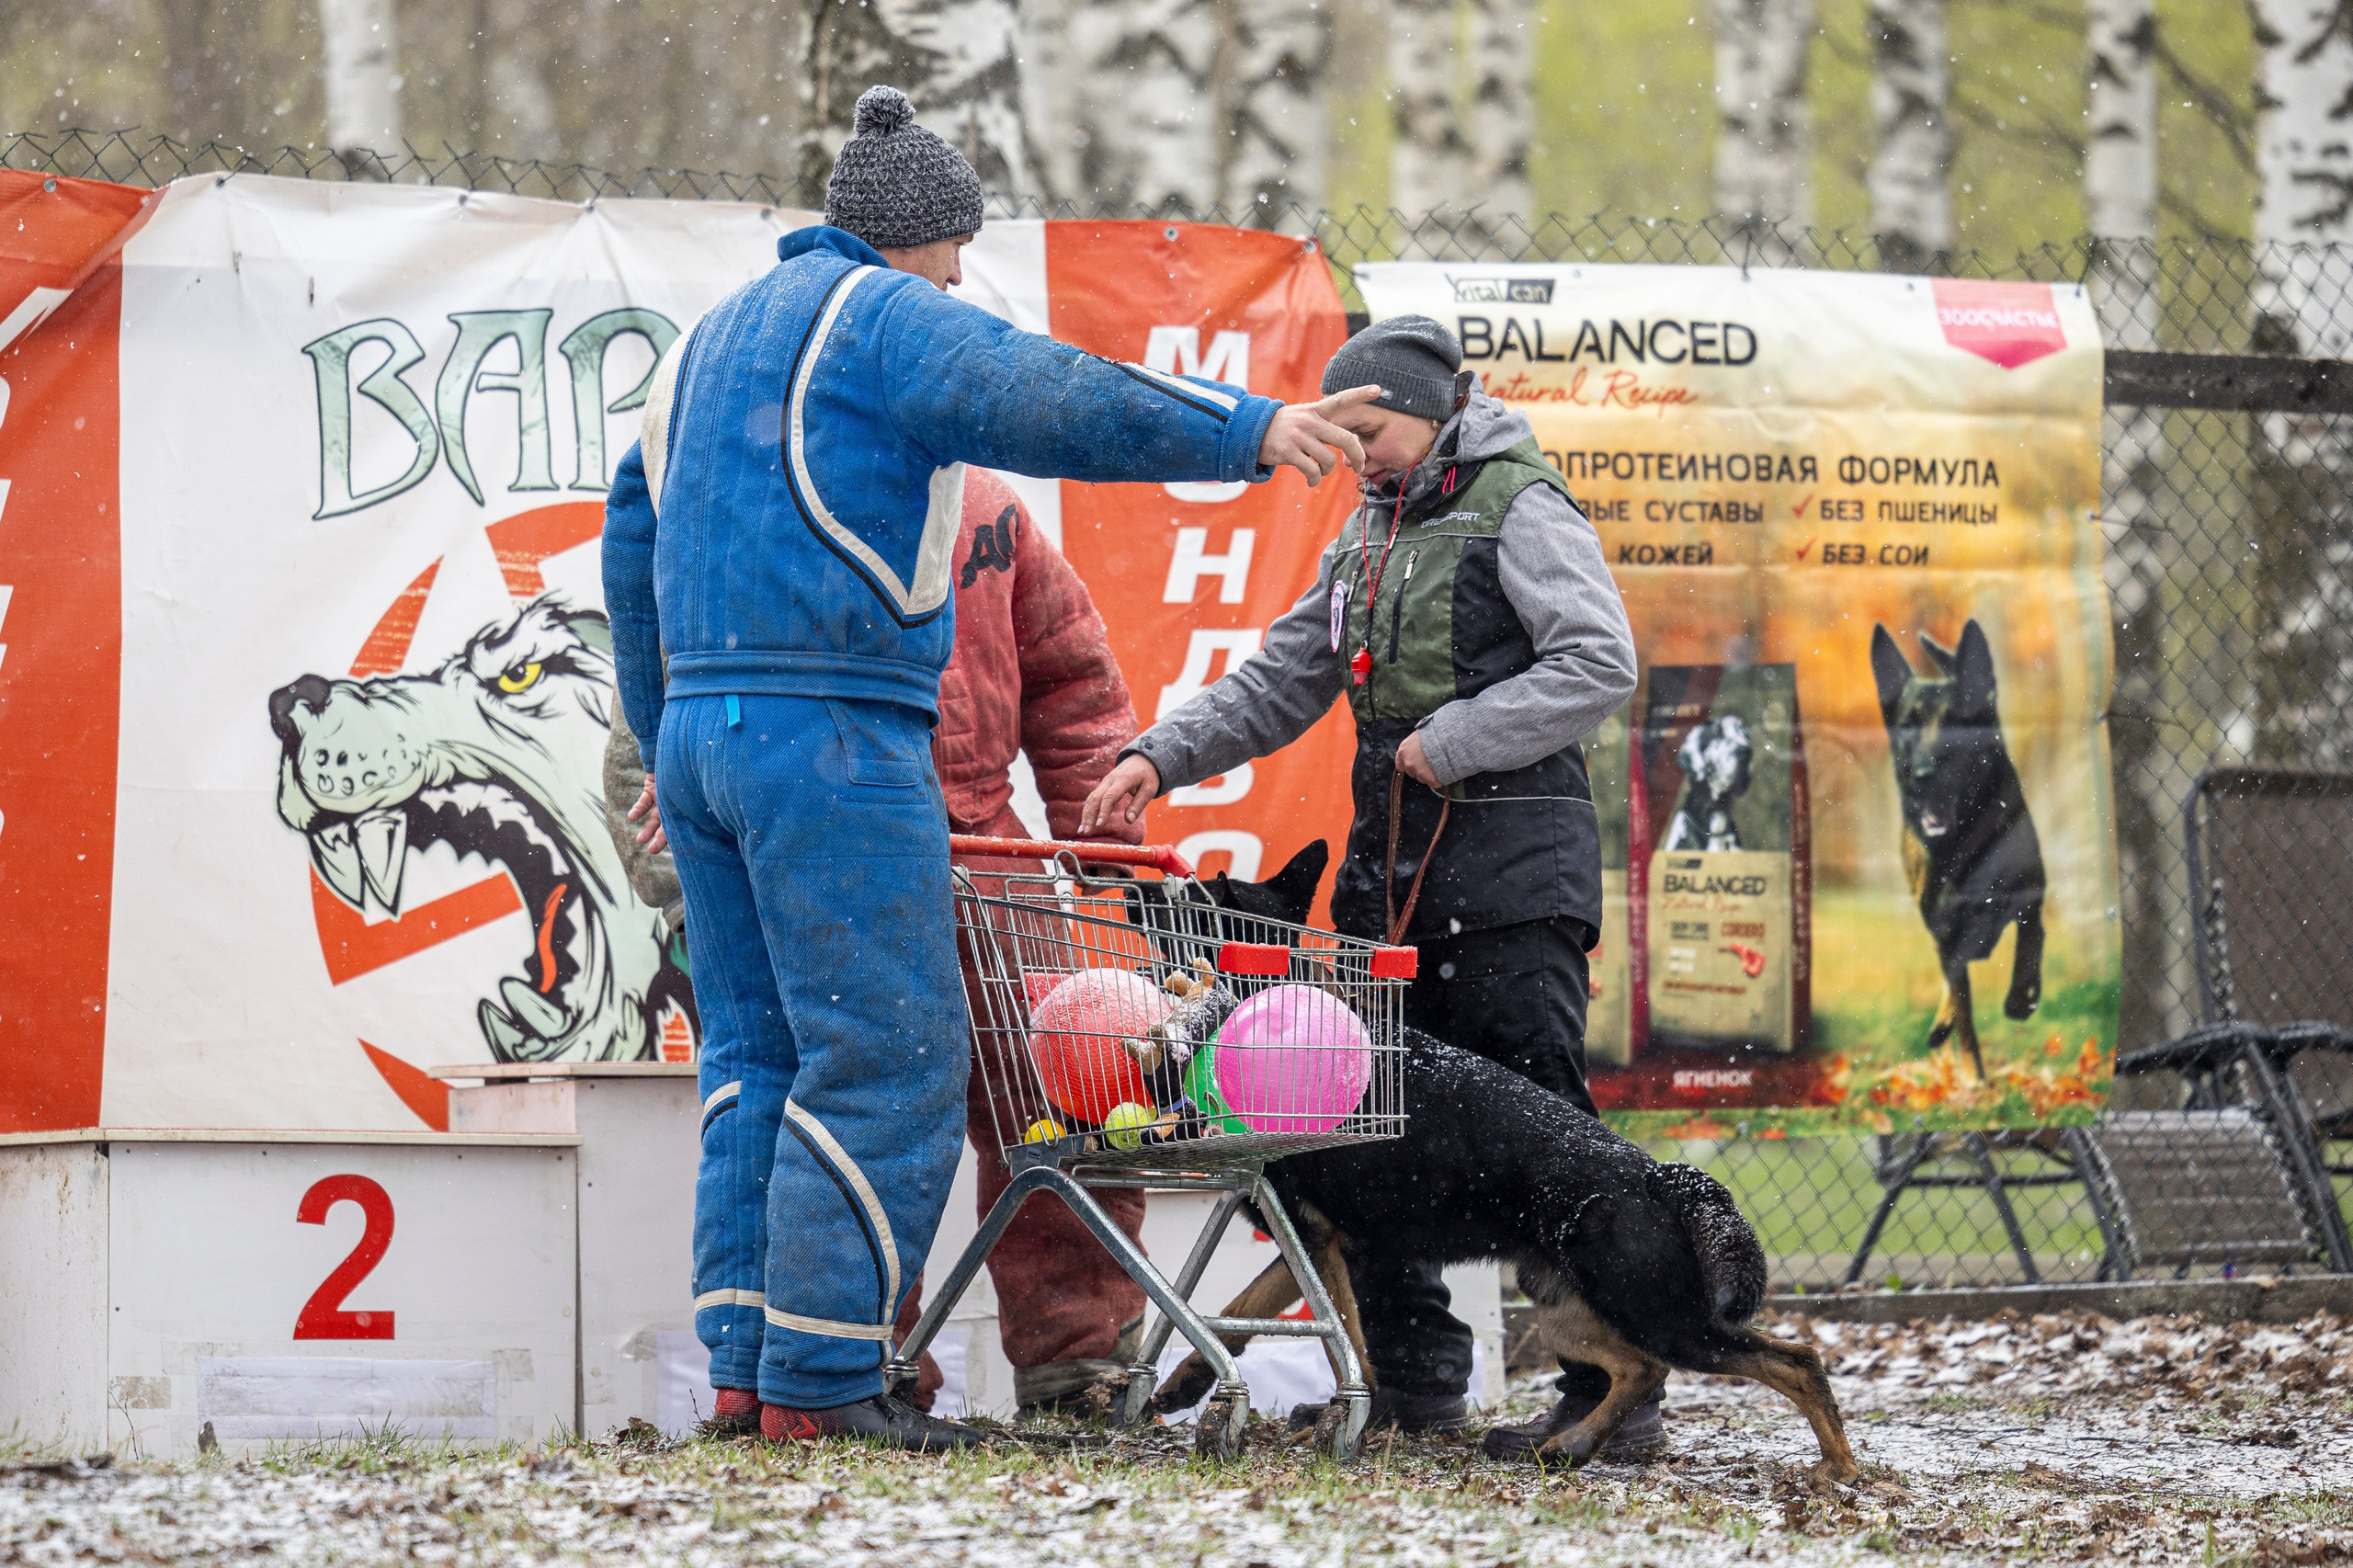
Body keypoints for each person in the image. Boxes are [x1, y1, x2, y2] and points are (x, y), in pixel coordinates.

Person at [602, 82, 1376, 1449]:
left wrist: (667, 731)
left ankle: (748, 1369)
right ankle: (830, 1385)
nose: (964, 281)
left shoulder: (703, 346)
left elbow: (631, 547)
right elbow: (1049, 396)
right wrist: (1242, 430)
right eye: (957, 256)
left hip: (703, 742)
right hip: (833, 741)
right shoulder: (884, 318)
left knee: (756, 1060)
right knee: (889, 1055)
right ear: (920, 239)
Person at [1078, 314, 1648, 1453]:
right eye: (1341, 438)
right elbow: (1282, 677)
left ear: (1429, 410)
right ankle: (1415, 1384)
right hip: (1389, 886)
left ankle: (1610, 1397)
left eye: (1370, 430)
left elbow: (1599, 658)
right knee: (1376, 1131)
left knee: (1544, 1137)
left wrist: (1458, 737)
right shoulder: (1365, 533)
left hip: (1514, 881)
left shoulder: (1520, 504)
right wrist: (1156, 756)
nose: (1357, 454)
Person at [603, 466, 1157, 1424]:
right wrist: (698, 866)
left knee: (1076, 1088)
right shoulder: (746, 485)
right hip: (822, 839)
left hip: (984, 850)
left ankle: (1079, 1368)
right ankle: (854, 1369)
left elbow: (1071, 672)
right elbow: (657, 682)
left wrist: (1098, 832)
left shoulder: (986, 504)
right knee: (850, 1107)